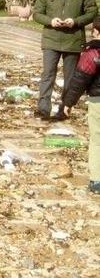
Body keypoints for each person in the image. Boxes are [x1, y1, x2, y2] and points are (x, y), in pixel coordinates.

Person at [33, 0, 98, 119]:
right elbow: (37, 13)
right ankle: (43, 109)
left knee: (71, 78)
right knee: (48, 75)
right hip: (51, 40)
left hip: (73, 41)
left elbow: (92, 12)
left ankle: (64, 110)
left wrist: (75, 21)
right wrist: (50, 21)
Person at [57, 15, 100, 194]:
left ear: (96, 31)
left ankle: (97, 180)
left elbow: (79, 80)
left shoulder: (92, 53)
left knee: (97, 140)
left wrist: (68, 103)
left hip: (97, 101)